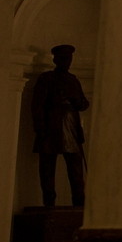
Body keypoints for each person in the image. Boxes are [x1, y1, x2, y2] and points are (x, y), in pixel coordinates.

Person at [31, 44, 90, 208]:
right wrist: (40, 128)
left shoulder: (73, 80)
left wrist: (75, 99)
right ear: (56, 60)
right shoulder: (47, 78)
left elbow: (84, 104)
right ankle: (49, 203)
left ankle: (79, 203)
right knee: (47, 169)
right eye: (64, 58)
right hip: (51, 127)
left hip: (70, 128)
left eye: (69, 59)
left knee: (76, 170)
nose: (67, 62)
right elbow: (37, 105)